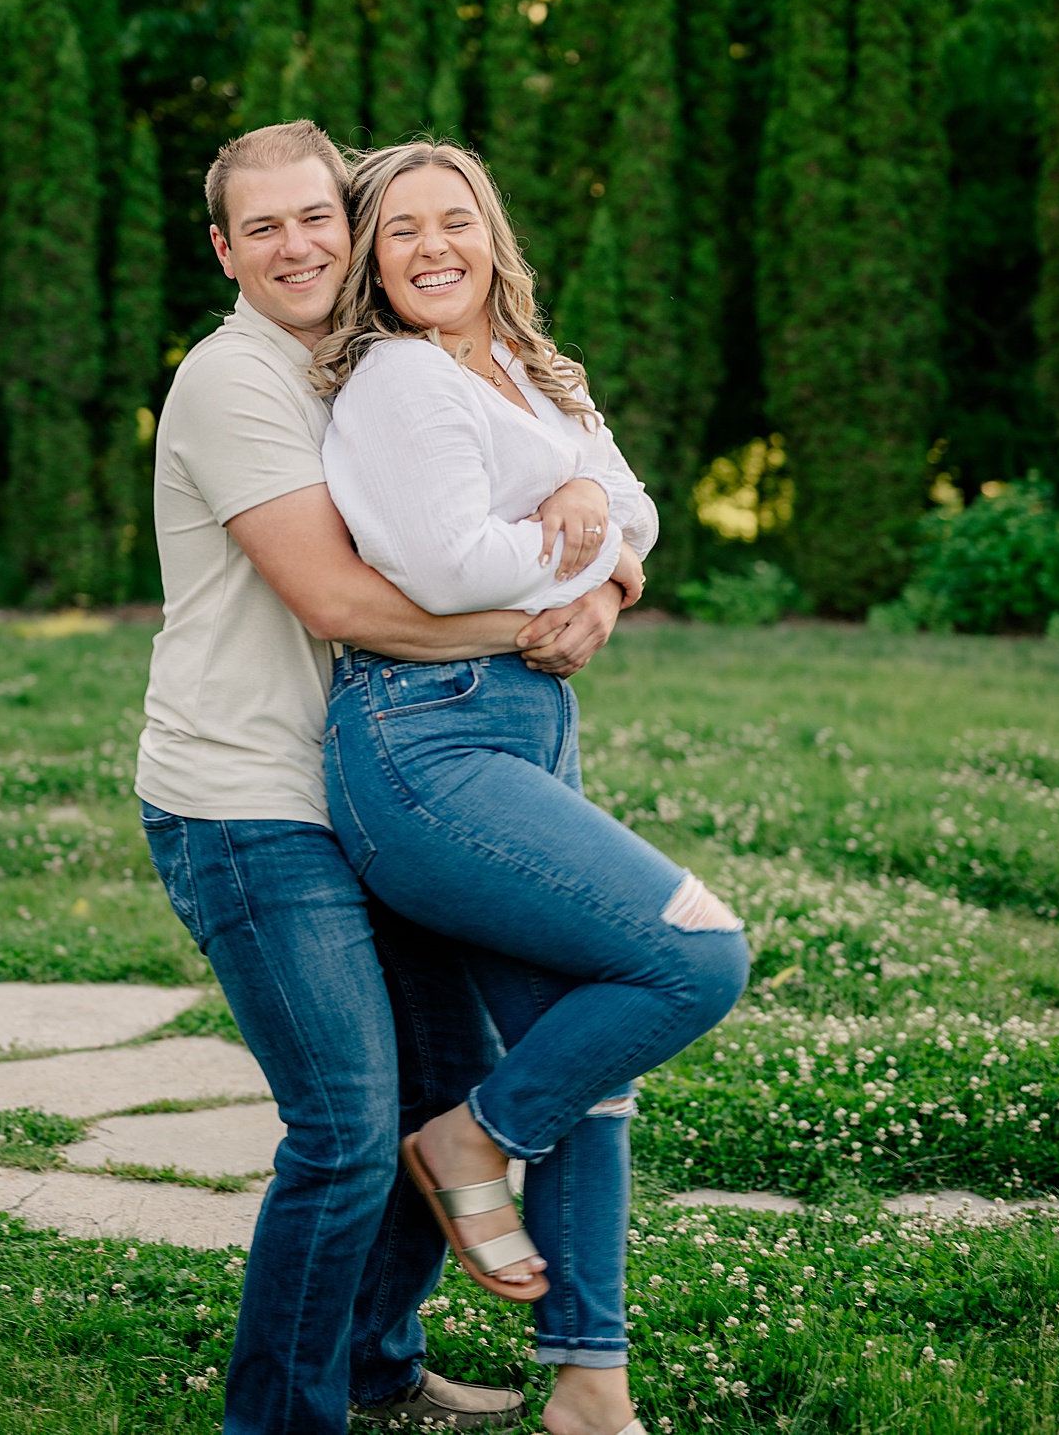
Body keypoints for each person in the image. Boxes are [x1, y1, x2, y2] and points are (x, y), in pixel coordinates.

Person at [140, 120, 636, 1435]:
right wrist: (552, 615)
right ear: (224, 252)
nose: (297, 244)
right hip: (249, 800)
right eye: (263, 227)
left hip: (369, 784)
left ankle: (373, 1360)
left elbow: (579, 475)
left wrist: (609, 581)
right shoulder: (237, 382)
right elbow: (342, 598)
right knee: (351, 1125)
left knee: (433, 1093)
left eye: (318, 217)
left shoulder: (380, 364)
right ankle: (282, 1416)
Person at [308, 140, 750, 1435]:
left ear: (494, 235)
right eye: (402, 232)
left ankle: (590, 1389)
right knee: (694, 958)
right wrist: (588, 564)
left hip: (524, 729)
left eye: (457, 220)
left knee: (596, 1061)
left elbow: (642, 515)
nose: (434, 247)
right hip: (423, 747)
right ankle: (473, 1140)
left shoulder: (535, 371)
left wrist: (593, 536)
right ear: (374, 266)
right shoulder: (396, 381)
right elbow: (446, 570)